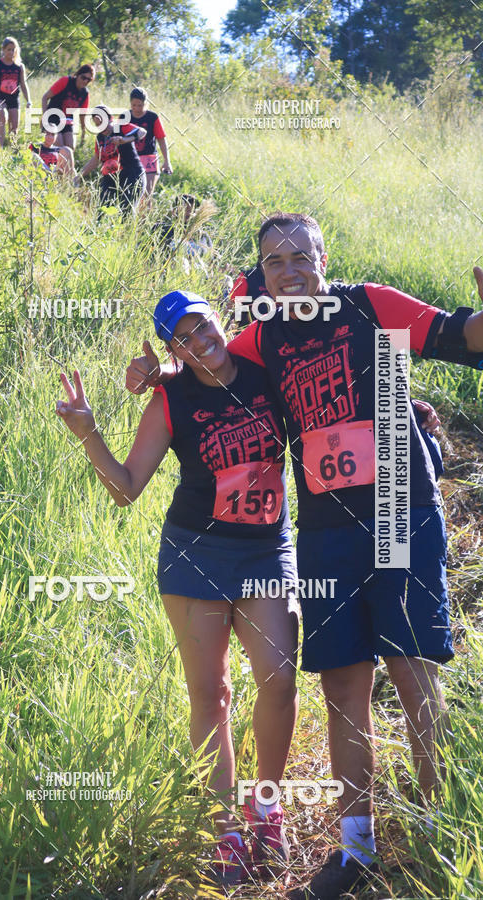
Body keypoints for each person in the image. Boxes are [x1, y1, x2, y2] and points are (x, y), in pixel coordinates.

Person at [125, 212, 483, 899]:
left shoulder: (369, 305)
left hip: (397, 509)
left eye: (300, 256)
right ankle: (356, 848)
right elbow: (206, 364)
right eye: (274, 261)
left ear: (324, 258)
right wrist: (158, 371)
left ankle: (439, 831)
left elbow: (457, 334)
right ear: (261, 274)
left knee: (411, 672)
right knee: (343, 689)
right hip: (323, 530)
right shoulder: (261, 338)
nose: (288, 271)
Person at [56, 291, 300, 887]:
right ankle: (226, 829)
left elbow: (326, 412)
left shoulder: (267, 372)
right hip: (196, 556)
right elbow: (126, 488)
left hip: (266, 550)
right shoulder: (170, 399)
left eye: (203, 326)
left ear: (219, 319)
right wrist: (88, 433)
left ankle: (266, 808)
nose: (200, 341)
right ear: (174, 350)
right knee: (210, 694)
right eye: (183, 339)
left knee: (278, 678)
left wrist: (407, 415)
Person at [80, 105, 146, 215]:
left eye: (103, 123)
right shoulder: (99, 138)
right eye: (97, 125)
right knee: (101, 211)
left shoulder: (121, 127)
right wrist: (79, 176)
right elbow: (97, 158)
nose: (101, 128)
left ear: (110, 118)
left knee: (126, 212)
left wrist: (124, 140)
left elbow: (142, 132)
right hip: (111, 177)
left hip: (133, 174)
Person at [0, 36, 31, 147]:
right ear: (3, 50)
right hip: (0, 98)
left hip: (14, 100)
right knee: (3, 117)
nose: (11, 52)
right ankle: (0, 147)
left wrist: (28, 100)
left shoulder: (19, 66)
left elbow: (23, 84)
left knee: (14, 128)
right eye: (9, 49)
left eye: (13, 49)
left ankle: (13, 149)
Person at [129, 86, 172, 206]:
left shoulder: (152, 117)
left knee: (146, 195)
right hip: (130, 159)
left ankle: (145, 217)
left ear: (146, 103)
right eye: (134, 105)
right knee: (131, 195)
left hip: (149, 159)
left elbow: (161, 139)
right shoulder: (125, 117)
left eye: (140, 105)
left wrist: (167, 161)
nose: (137, 108)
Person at [41, 64, 94, 150]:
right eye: (83, 77)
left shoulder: (85, 93)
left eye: (89, 80)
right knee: (59, 147)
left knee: (70, 148)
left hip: (67, 121)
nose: (85, 81)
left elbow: (82, 115)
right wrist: (45, 118)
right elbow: (45, 97)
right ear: (78, 75)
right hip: (53, 117)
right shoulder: (65, 81)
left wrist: (83, 134)